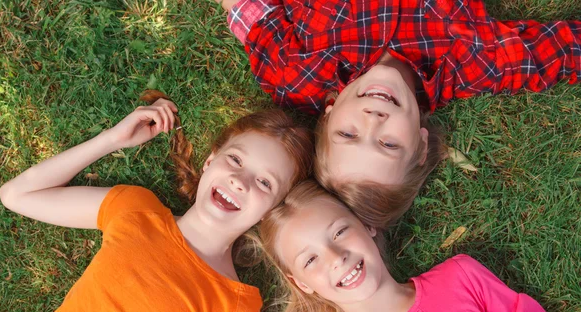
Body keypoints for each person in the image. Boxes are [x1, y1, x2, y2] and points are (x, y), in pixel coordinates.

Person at [0, 91, 313, 312]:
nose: (239, 181)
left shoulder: (236, 308)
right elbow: (16, 195)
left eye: (264, 183)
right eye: (235, 160)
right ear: (210, 160)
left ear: (272, 211)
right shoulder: (135, 209)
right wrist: (112, 140)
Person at [218, 0, 580, 227]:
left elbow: (250, 11)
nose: (373, 120)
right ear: (422, 146)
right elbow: (563, 51)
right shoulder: (476, 61)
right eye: (388, 144)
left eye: (348, 134)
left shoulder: (295, 75)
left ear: (327, 113)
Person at [259, 180, 581, 312]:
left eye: (340, 231)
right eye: (311, 259)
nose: (335, 257)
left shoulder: (461, 278)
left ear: (367, 225)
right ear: (301, 283)